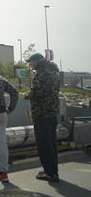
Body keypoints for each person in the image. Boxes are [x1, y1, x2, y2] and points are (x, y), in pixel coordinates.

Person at [24, 52, 61, 183]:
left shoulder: (40, 74)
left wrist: (25, 95)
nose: (30, 65)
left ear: (37, 61)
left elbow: (37, 93)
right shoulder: (54, 72)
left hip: (41, 113)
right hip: (52, 112)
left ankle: (50, 173)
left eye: (31, 62)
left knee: (44, 144)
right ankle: (52, 170)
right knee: (51, 143)